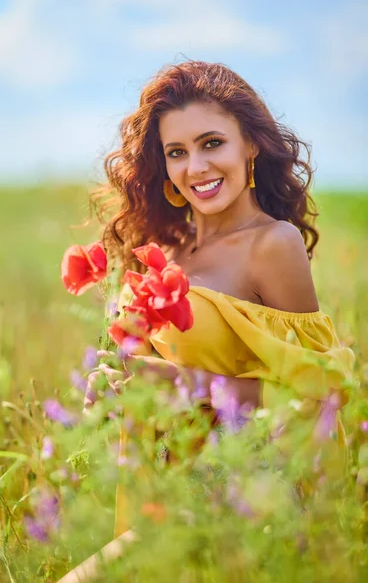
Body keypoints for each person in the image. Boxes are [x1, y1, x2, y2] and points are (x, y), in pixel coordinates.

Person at [58, 60, 355, 582]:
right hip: (166, 483)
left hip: (244, 494)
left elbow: (316, 397)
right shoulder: (166, 250)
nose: (195, 166)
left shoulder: (273, 245)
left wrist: (176, 383)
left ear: (251, 146)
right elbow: (151, 376)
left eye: (212, 142)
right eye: (177, 152)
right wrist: (117, 386)